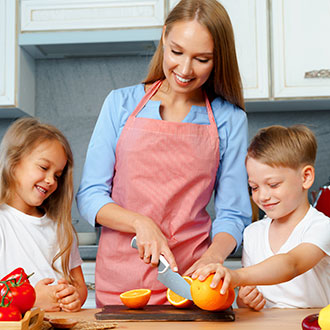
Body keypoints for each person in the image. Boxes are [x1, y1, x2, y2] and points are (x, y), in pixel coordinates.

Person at [76, 0, 251, 306]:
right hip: (120, 283)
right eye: (177, 51)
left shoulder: (229, 119)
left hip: (190, 283)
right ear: (163, 38)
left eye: (202, 59)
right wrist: (141, 223)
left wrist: (212, 258)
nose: (184, 69)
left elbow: (233, 214)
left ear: (217, 59)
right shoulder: (120, 104)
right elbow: (90, 195)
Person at [193, 125, 330, 310]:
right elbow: (245, 301)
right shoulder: (252, 234)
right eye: (254, 187)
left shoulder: (321, 227)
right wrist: (246, 300)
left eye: (273, 185)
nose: (263, 196)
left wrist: (237, 276)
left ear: (305, 177)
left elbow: (292, 264)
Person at [0, 118, 88, 312]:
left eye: (57, 175)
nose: (51, 180)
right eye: (43, 167)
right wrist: (31, 300)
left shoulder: (60, 227)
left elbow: (80, 287)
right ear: (13, 162)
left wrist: (74, 297)